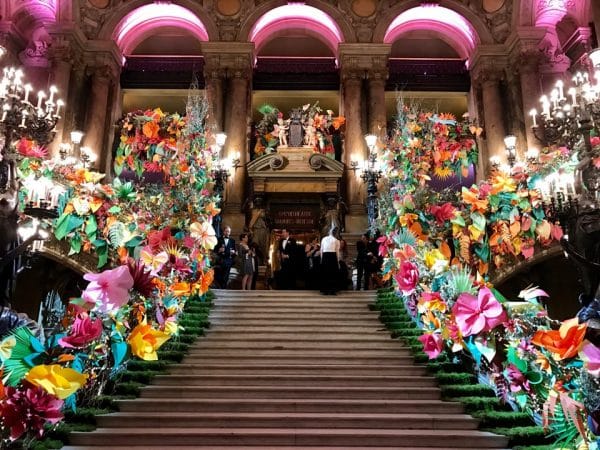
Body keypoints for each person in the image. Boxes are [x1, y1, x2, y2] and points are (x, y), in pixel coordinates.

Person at [320, 226, 340, 295]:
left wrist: (322, 260)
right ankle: (332, 290)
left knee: (326, 273)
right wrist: (337, 262)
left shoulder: (324, 239)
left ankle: (325, 290)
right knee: (332, 274)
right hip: (332, 257)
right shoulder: (337, 240)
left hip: (326, 256)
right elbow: (337, 252)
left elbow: (321, 250)